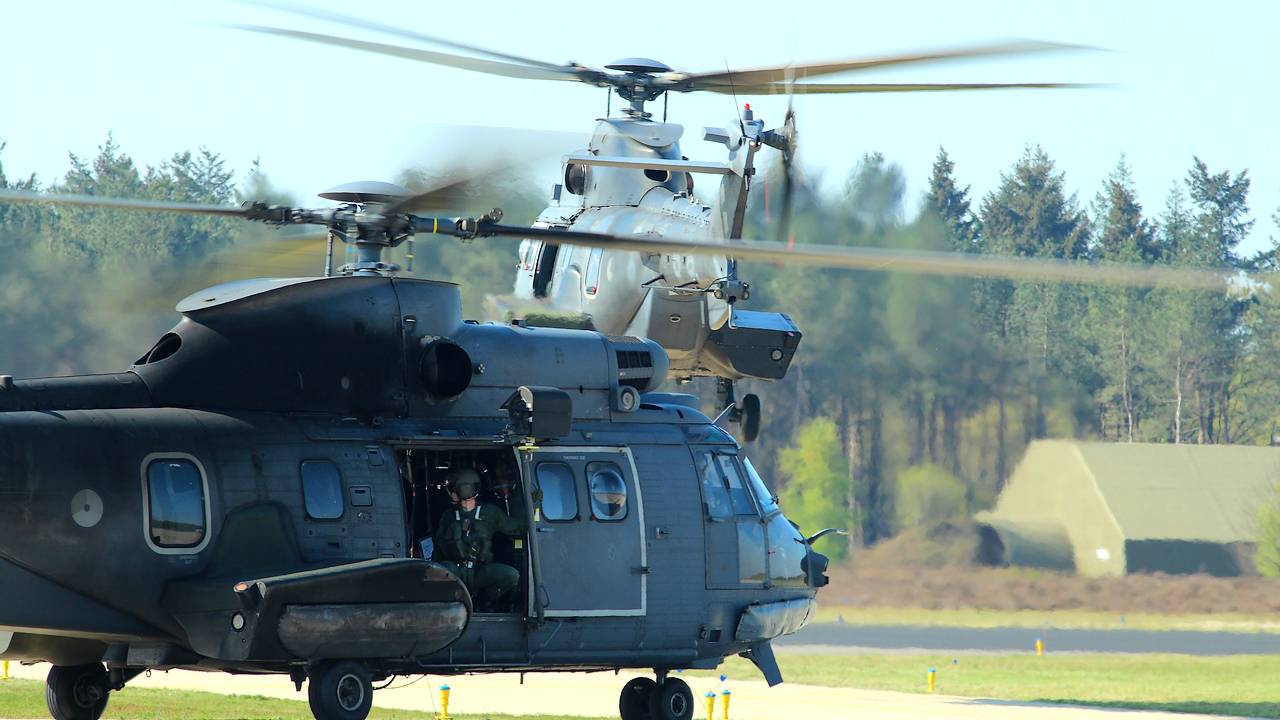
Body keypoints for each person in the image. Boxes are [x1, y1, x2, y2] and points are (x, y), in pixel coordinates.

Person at [433, 468, 525, 612]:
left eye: (454, 488)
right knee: (437, 572)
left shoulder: (490, 513)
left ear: (464, 489)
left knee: (511, 575)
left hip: (480, 571)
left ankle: (482, 603)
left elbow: (515, 528)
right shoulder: (449, 516)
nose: (451, 493)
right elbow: (439, 546)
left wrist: (533, 508)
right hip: (457, 570)